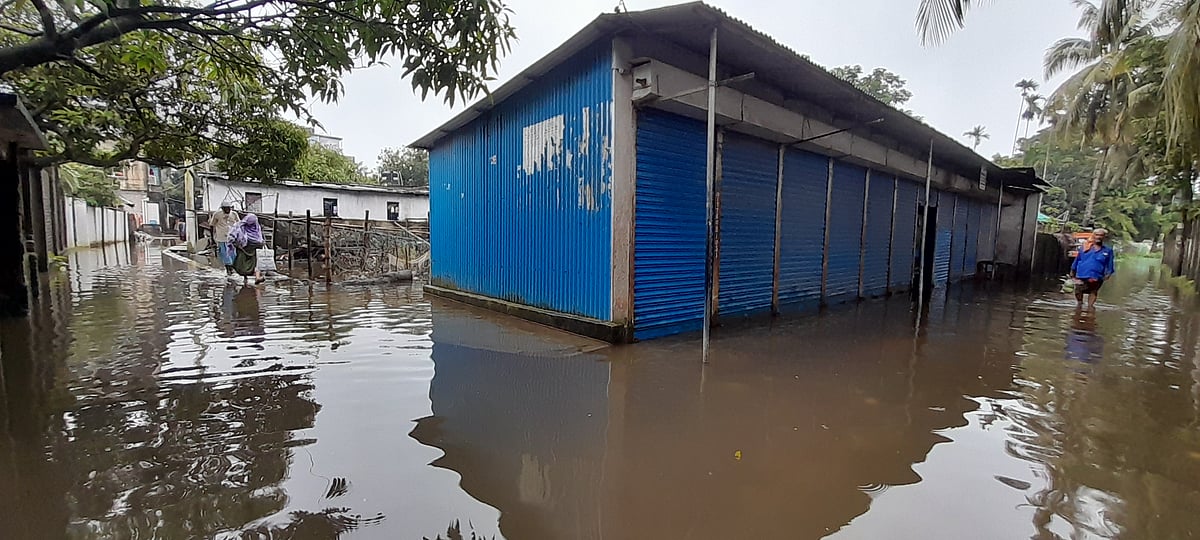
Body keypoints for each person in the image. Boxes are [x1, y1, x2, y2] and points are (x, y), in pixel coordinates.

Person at [1070, 227, 1115, 308]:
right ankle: (1079, 305)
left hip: (1097, 275)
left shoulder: (1108, 251)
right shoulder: (1085, 248)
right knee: (1078, 290)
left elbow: (1110, 264)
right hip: (1082, 274)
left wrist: (1108, 274)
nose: (1098, 237)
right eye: (1097, 235)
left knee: (1093, 291)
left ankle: (1090, 308)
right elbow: (1077, 259)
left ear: (1104, 237)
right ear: (1093, 236)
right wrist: (1072, 271)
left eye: (1101, 235)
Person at [229, 213, 266, 285]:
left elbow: (259, 238)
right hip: (248, 247)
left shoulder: (243, 226)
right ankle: (252, 277)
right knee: (252, 263)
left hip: (248, 247)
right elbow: (232, 236)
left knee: (250, 262)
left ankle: (250, 278)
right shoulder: (241, 227)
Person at [205, 203, 240, 275]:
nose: (227, 210)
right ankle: (228, 268)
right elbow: (212, 225)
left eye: (228, 208)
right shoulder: (217, 214)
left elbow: (239, 224)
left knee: (233, 254)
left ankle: (232, 267)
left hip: (232, 237)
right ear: (222, 208)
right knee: (224, 253)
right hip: (221, 237)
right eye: (225, 208)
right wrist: (212, 238)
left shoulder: (234, 214)